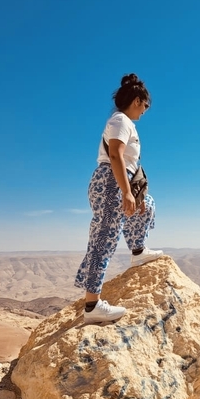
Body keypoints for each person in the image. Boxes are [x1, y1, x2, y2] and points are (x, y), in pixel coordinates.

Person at [74, 73, 163, 323]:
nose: (145, 111)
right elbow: (115, 155)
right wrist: (125, 191)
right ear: (137, 100)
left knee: (147, 207)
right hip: (111, 181)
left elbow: (129, 162)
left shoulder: (126, 123)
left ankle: (138, 251)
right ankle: (92, 306)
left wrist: (136, 193)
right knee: (104, 238)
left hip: (120, 179)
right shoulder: (120, 120)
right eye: (145, 106)